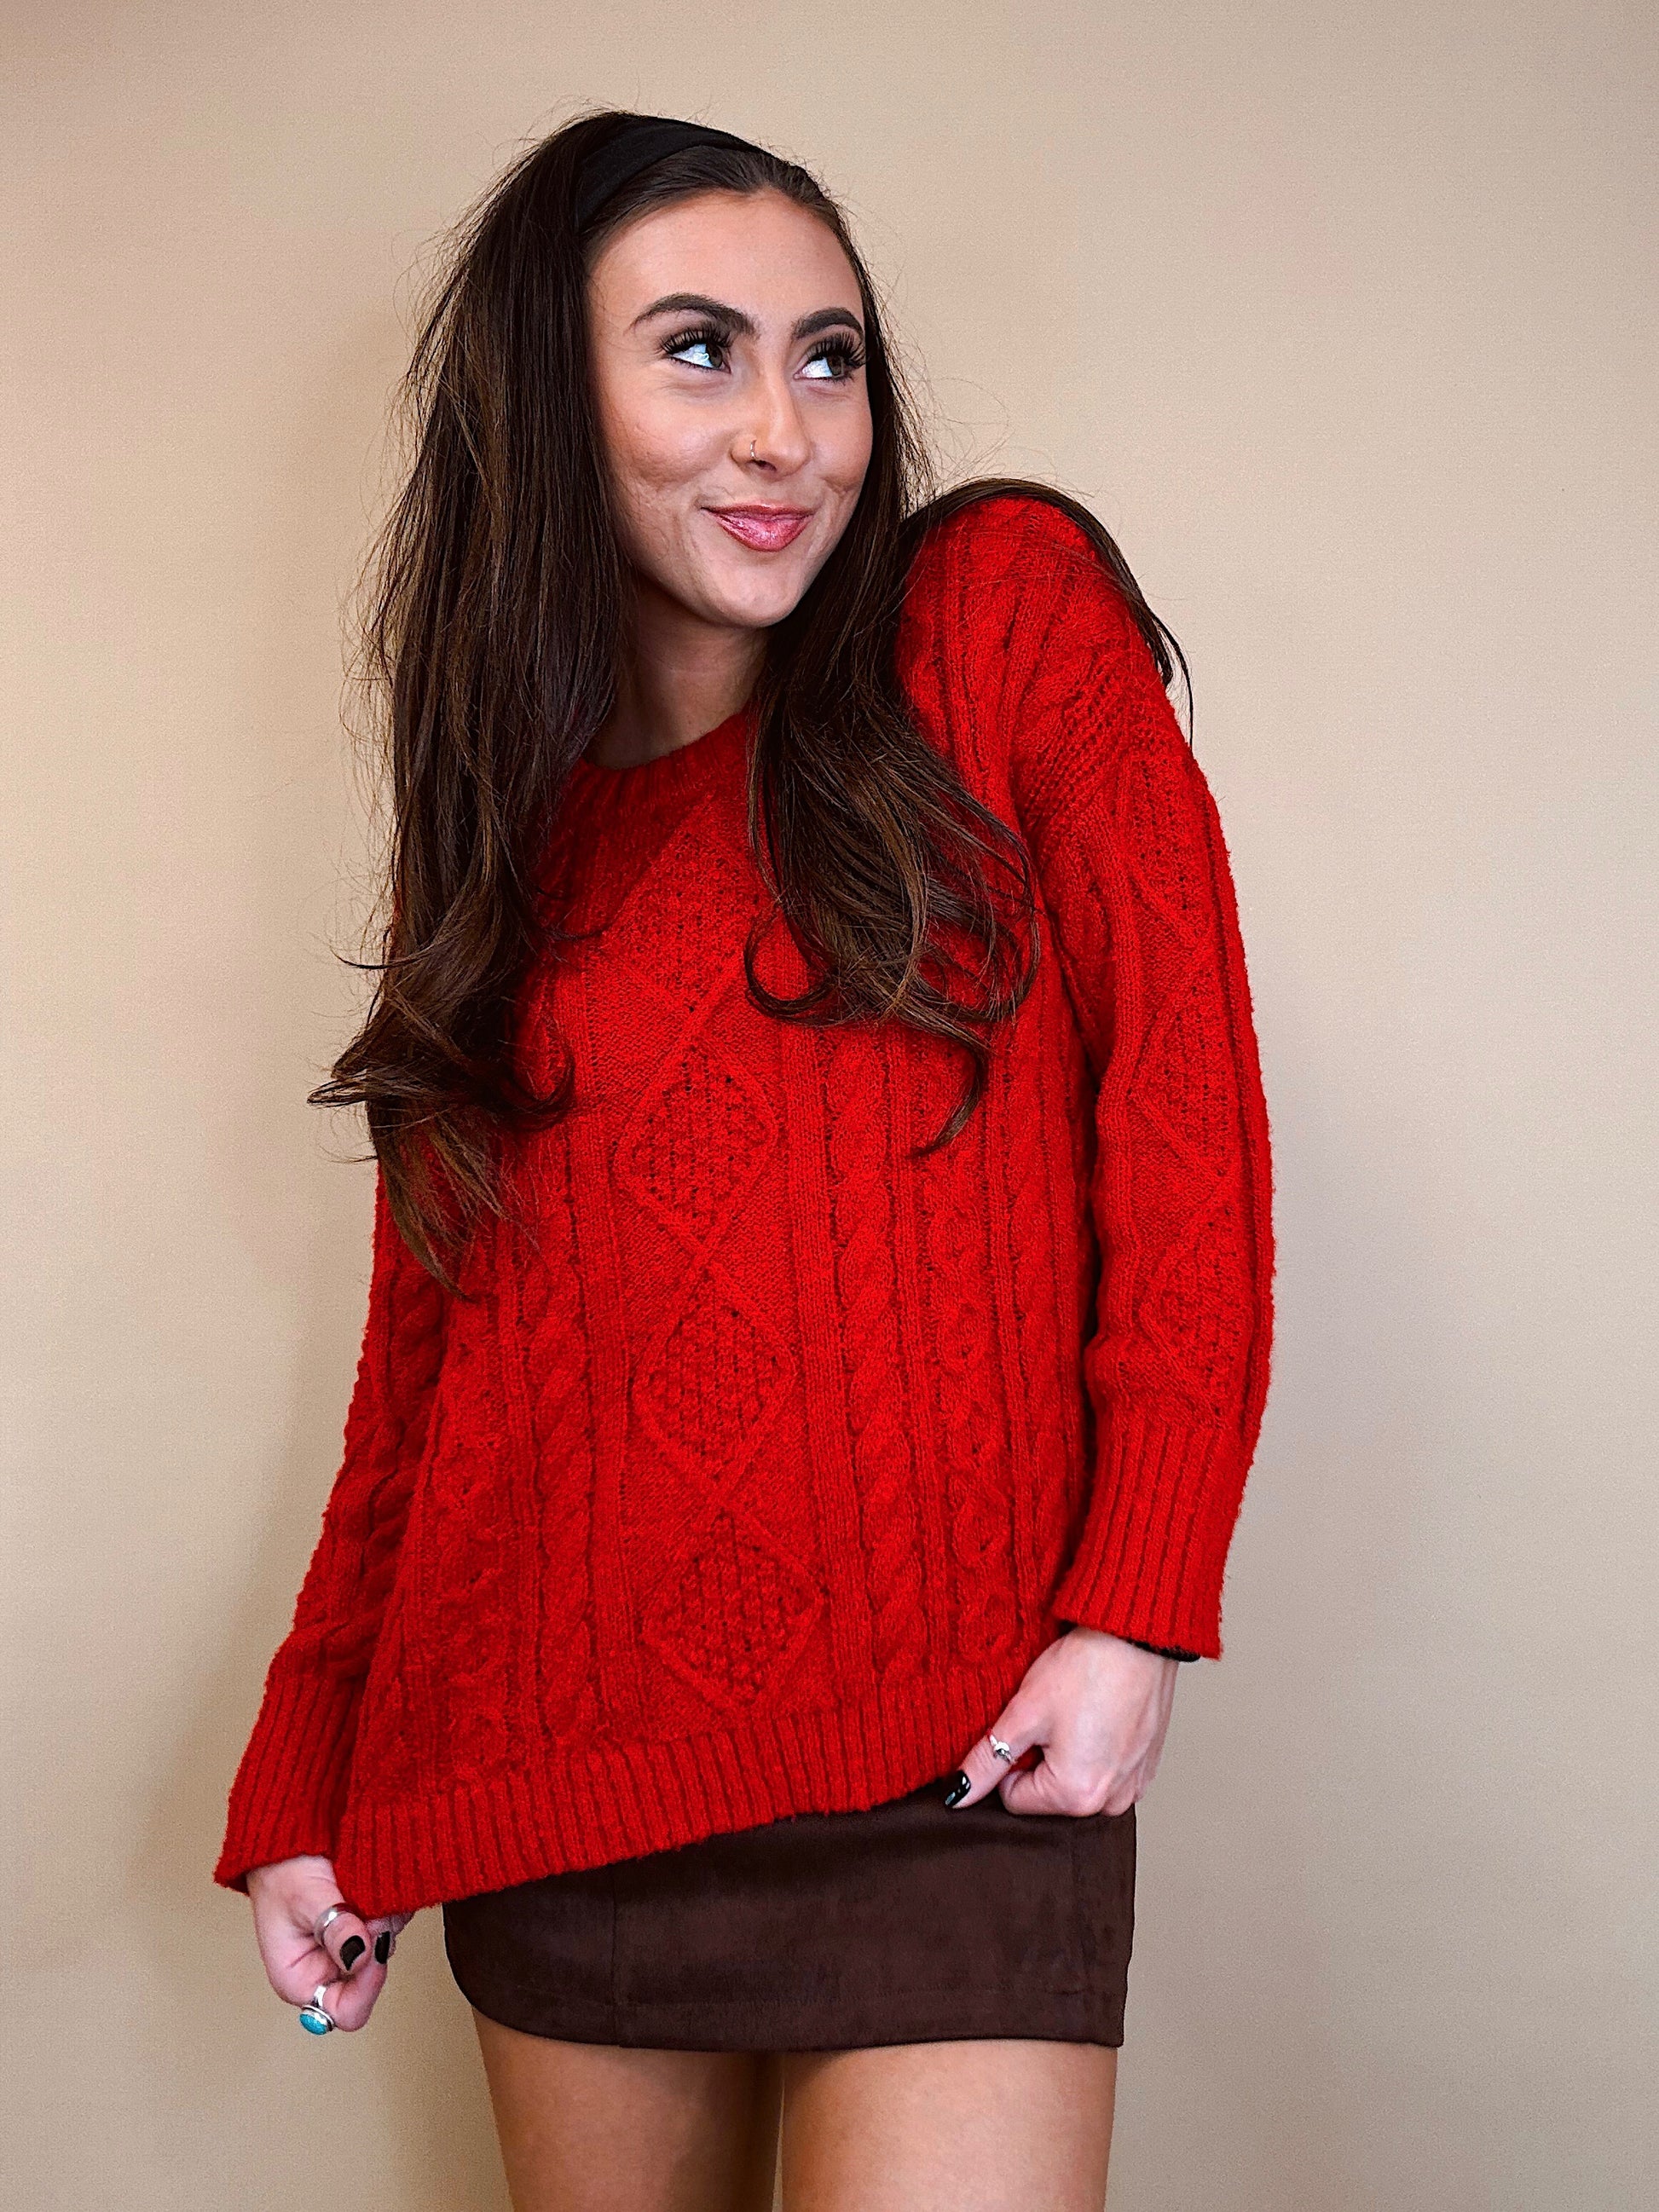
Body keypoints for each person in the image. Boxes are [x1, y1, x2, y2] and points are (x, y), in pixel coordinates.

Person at [213, 108, 1275, 2211]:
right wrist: (307, 1762)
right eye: (697, 350)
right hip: (558, 1773)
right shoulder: (502, 843)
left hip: (963, 1757)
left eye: (829, 356)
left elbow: (1185, 1120)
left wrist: (1134, 1605)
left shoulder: (998, 616)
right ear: (552, 399)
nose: (785, 430)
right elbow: (430, 1361)